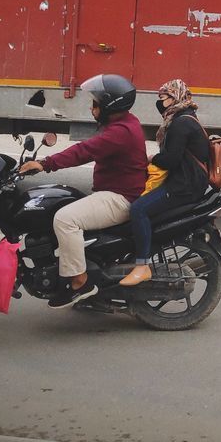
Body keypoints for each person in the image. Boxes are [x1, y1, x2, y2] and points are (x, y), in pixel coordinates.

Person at [19, 74, 148, 309]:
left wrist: (45, 164)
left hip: (120, 198)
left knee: (65, 219)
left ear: (110, 105)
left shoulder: (120, 132)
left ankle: (80, 281)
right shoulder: (124, 124)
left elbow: (85, 151)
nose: (92, 107)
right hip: (114, 192)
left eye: (96, 103)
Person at [119, 79, 212, 287]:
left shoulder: (181, 123)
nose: (160, 103)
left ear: (175, 98)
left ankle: (142, 265)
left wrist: (151, 159)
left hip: (183, 187)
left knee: (138, 209)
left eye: (163, 98)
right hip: (187, 181)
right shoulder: (185, 118)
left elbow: (171, 160)